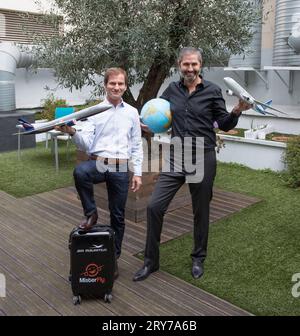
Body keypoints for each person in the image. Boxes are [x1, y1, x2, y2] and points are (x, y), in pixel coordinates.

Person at [133, 47, 250, 282]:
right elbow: (160, 117)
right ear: (179, 65)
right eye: (186, 64)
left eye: (194, 64)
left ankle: (198, 258)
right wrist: (148, 125)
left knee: (200, 211)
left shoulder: (213, 91)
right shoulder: (171, 90)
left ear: (200, 65)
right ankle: (151, 262)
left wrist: (237, 110)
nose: (190, 68)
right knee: (154, 206)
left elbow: (224, 124)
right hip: (177, 156)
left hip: (203, 156)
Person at [56, 67, 143, 278]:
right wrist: (72, 131)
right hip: (99, 163)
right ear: (105, 85)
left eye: (121, 83)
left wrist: (138, 173)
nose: (116, 87)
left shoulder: (132, 112)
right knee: (80, 172)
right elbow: (86, 144)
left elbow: (137, 144)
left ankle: (114, 258)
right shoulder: (94, 112)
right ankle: (91, 213)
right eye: (112, 83)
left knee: (118, 216)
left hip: (121, 166)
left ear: (125, 86)